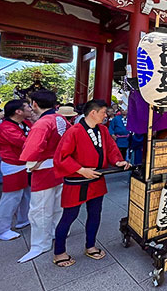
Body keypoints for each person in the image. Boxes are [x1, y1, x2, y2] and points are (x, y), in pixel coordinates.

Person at [52, 99, 130, 267]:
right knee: (69, 216)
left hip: (96, 178)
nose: (106, 115)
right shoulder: (74, 131)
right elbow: (61, 157)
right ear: (93, 113)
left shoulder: (103, 129)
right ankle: (59, 252)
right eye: (103, 112)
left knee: (95, 214)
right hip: (77, 180)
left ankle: (90, 246)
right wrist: (81, 170)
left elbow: (111, 149)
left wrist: (118, 162)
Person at [18, 90, 70, 263]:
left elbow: (32, 150)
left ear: (34, 104)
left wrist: (32, 164)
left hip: (44, 169)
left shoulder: (43, 123)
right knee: (57, 205)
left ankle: (41, 244)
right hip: (59, 167)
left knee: (40, 209)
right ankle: (57, 232)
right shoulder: (60, 118)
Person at [0, 100, 32, 241]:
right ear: (18, 111)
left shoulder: (25, 123)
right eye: (28, 107)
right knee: (11, 198)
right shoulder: (5, 128)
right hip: (13, 165)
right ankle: (2, 230)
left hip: (24, 163)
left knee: (25, 194)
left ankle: (23, 219)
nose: (31, 109)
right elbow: (25, 142)